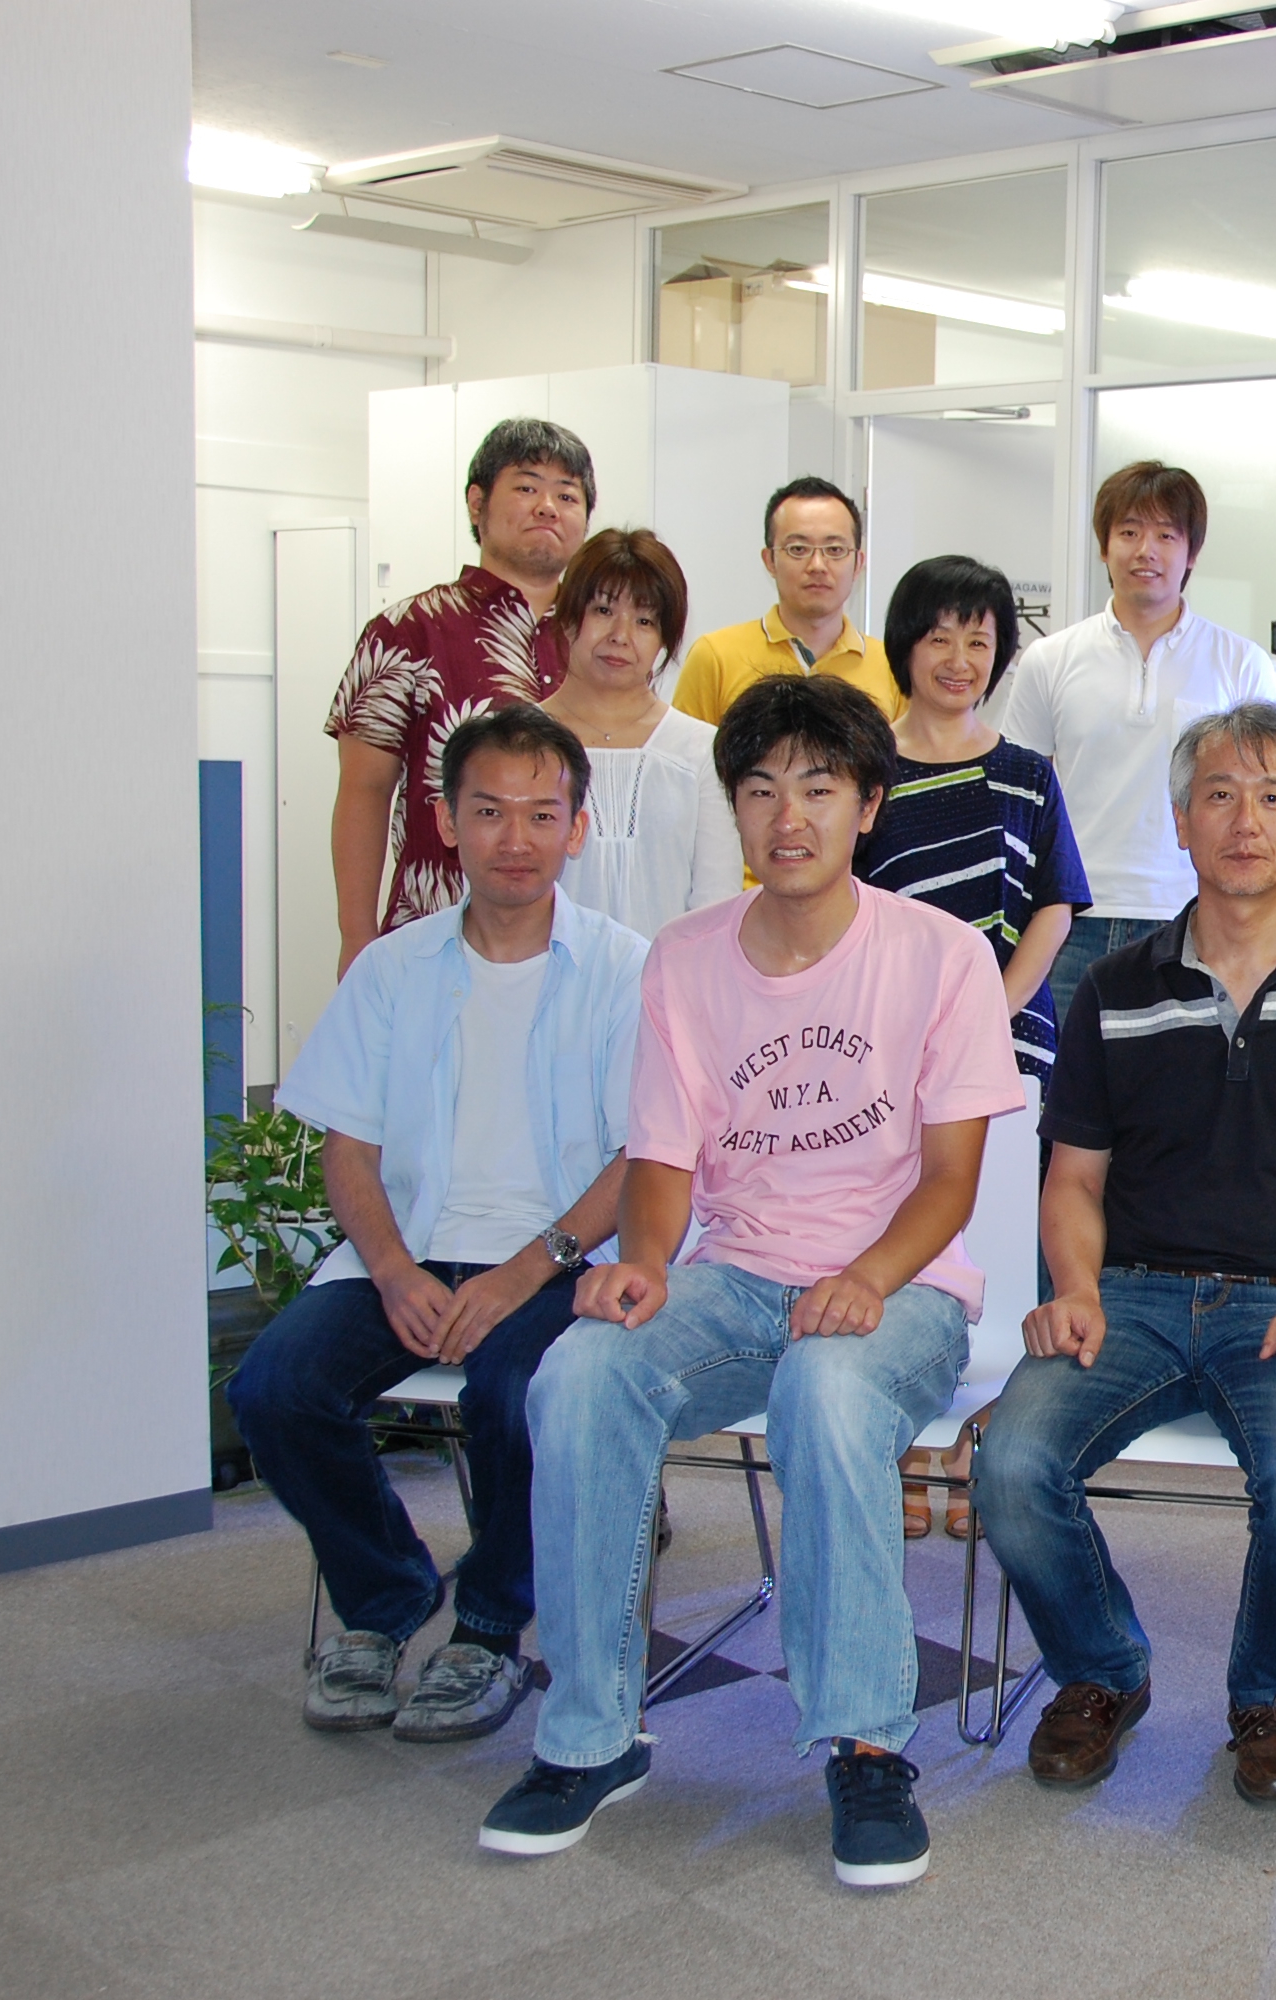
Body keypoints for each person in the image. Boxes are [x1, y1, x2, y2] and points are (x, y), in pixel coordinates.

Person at [480, 676, 1025, 1889]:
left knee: (827, 1391)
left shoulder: (941, 956)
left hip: (902, 1287)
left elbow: (950, 1181)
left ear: (867, 806)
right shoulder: (683, 959)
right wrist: (638, 1263)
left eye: (819, 788)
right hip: (731, 1276)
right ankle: (588, 1733)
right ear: (732, 807)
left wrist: (865, 1276)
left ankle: (865, 1742)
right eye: (762, 789)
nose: (789, 816)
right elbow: (663, 1160)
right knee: (579, 1374)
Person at [975, 703, 1276, 1808]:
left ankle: (1268, 1697)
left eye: (1274, 798)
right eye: (1220, 796)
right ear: (1181, 819)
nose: (1246, 822)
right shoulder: (1114, 985)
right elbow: (1073, 1178)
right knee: (1010, 1462)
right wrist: (1075, 1288)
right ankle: (1102, 1669)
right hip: (1130, 1296)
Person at [231, 705, 643, 1742]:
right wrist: (390, 1268)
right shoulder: (392, 968)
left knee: (520, 1390)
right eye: (489, 812)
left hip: (558, 1261)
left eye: (541, 814)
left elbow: (641, 1157)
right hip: (406, 1252)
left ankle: (490, 1628)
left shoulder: (626, 970)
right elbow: (351, 1149)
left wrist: (523, 1271)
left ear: (577, 828)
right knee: (274, 1387)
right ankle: (385, 1597)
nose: (516, 838)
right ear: (448, 822)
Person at [854, 553, 1091, 1539]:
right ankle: (907, 1439)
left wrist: (989, 1010)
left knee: (1001, 1233)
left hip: (1007, 1034)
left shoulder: (1025, 772)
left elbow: (1054, 906)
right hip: (880, 1041)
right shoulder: (863, 768)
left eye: (979, 640)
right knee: (899, 1222)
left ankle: (982, 1436)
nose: (959, 658)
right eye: (940, 636)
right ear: (904, 645)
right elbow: (843, 906)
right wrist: (913, 1026)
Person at [991, 460, 1276, 1024]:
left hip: (1197, 918)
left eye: (1166, 535)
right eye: (1128, 532)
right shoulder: (1050, 660)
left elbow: (1268, 798)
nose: (1145, 550)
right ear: (1104, 547)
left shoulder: (1240, 664)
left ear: (1191, 553)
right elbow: (1017, 801)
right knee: (1063, 1078)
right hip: (1070, 920)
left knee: (1188, 1081)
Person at [329, 417, 590, 970]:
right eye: (527, 487)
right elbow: (364, 790)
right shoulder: (409, 630)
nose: (548, 507)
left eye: (567, 495)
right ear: (477, 504)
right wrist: (355, 936)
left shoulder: (601, 639)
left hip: (573, 952)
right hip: (433, 940)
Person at [537, 527, 740, 938]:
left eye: (645, 621)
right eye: (603, 610)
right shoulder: (517, 743)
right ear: (568, 617)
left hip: (672, 976)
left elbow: (715, 906)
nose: (621, 636)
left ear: (665, 638)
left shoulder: (701, 750)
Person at [670, 476, 901, 725]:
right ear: (769, 560)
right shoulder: (714, 657)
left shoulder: (893, 667)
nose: (817, 566)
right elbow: (685, 750)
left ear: (858, 563)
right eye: (798, 549)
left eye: (835, 550)